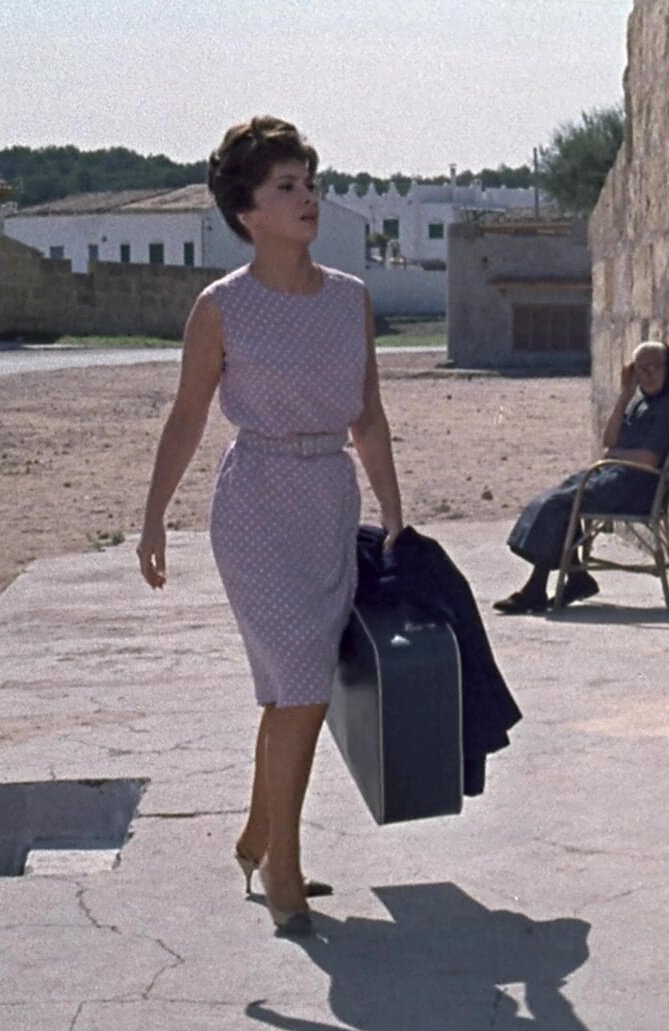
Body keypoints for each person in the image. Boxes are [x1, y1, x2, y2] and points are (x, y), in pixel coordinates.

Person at [135, 116, 403, 936]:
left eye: (309, 183)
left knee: (298, 692)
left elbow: (369, 416)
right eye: (286, 186)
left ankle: (258, 836)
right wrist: (153, 518)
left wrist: (393, 509)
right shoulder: (222, 308)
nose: (307, 198)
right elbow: (187, 416)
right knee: (302, 685)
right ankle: (282, 865)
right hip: (254, 506)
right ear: (247, 211)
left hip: (329, 502)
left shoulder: (351, 299)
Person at [493, 341, 669, 614]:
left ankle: (537, 588)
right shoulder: (640, 403)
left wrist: (615, 454)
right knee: (557, 497)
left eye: (654, 367)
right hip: (615, 477)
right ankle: (576, 578)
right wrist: (625, 395)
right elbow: (609, 439)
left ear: (668, 368)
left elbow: (648, 460)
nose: (648, 374)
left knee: (559, 504)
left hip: (639, 487)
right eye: (641, 369)